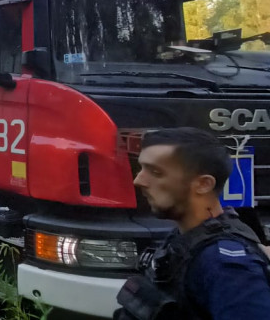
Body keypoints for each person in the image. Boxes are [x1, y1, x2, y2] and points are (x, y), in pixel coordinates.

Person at [115, 127, 270, 320]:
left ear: (204, 184)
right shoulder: (185, 239)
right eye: (141, 168)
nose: (138, 180)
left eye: (155, 172)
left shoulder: (225, 267)